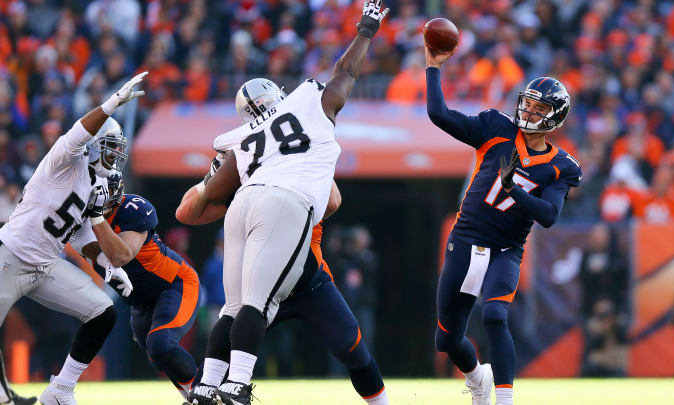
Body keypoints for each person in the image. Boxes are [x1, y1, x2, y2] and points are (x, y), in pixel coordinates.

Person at [180, 2, 389, 403]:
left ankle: (207, 385)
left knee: (233, 308)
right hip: (284, 209)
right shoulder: (308, 101)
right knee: (254, 306)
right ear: (280, 95)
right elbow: (345, 73)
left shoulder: (239, 141)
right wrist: (366, 28)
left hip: (244, 205)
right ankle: (238, 385)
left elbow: (194, 206)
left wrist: (211, 177)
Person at [426, 46, 582, 405]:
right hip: (465, 239)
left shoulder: (561, 166)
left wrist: (513, 188)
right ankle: (478, 376)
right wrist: (433, 68)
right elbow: (439, 113)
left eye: (538, 108)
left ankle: (506, 400)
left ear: (554, 117)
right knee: (447, 340)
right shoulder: (496, 128)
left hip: (506, 249)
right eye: (527, 103)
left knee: (496, 314)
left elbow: (548, 215)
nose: (528, 111)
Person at [0, 72, 146, 405]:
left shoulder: (97, 184)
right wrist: (110, 105)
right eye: (111, 149)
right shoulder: (64, 161)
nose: (116, 157)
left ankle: (61, 389)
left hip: (45, 265)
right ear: (94, 147)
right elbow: (78, 132)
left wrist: (106, 265)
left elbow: (78, 235)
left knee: (103, 312)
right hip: (10, 255)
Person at [177, 177, 388, 404]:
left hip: (309, 283)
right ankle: (203, 393)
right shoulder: (246, 164)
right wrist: (212, 178)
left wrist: (298, 210)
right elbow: (186, 212)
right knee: (225, 350)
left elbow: (333, 200)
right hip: (262, 289)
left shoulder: (306, 158)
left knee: (352, 346)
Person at [83, 171, 200, 398]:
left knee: (161, 344)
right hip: (141, 301)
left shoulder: (133, 209)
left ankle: (205, 393)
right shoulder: (81, 217)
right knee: (157, 356)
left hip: (174, 284)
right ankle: (193, 396)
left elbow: (121, 256)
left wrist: (96, 219)